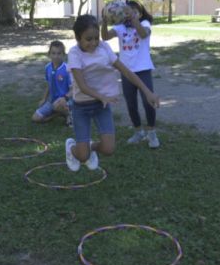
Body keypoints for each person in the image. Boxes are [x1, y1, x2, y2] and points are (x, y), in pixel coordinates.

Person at [65, 14, 159, 172]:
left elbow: (127, 72)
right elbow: (82, 86)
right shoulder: (74, 53)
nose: (94, 43)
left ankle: (89, 148)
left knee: (108, 149)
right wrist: (102, 97)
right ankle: (72, 149)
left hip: (101, 105)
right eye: (89, 39)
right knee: (82, 157)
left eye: (96, 38)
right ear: (77, 38)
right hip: (81, 107)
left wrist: (147, 92)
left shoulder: (104, 48)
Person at [102, 0, 159, 148]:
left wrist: (133, 18)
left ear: (140, 13)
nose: (130, 13)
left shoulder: (144, 24)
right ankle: (138, 131)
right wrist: (104, 21)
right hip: (127, 71)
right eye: (127, 10)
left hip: (143, 69)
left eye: (134, 11)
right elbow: (105, 37)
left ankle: (151, 132)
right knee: (131, 103)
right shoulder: (120, 27)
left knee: (148, 102)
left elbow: (143, 34)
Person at [32, 40, 73, 126]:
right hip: (52, 101)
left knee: (56, 105)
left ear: (64, 55)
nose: (56, 56)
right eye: (53, 53)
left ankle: (69, 114)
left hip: (66, 100)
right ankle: (57, 114)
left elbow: (74, 89)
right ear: (49, 54)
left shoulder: (67, 69)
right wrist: (44, 99)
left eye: (59, 53)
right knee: (35, 118)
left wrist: (65, 98)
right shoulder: (47, 67)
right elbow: (49, 85)